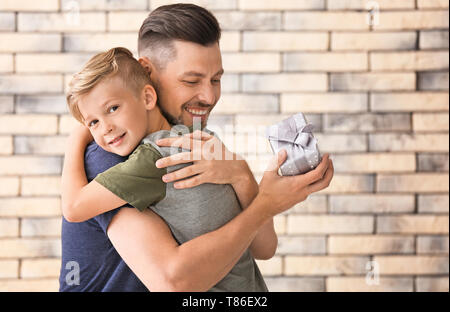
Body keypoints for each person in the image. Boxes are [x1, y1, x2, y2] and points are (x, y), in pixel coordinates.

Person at [59, 4, 334, 292]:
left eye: (216, 79)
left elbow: (263, 248)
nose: (209, 95)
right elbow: (173, 282)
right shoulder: (112, 158)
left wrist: (242, 175)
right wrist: (266, 202)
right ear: (147, 74)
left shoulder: (199, 143)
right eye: (191, 81)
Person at [62, 46, 272, 292]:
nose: (105, 128)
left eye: (113, 109)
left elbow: (74, 208)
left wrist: (76, 138)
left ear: (148, 98)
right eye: (93, 122)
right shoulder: (204, 139)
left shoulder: (152, 160)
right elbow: (265, 248)